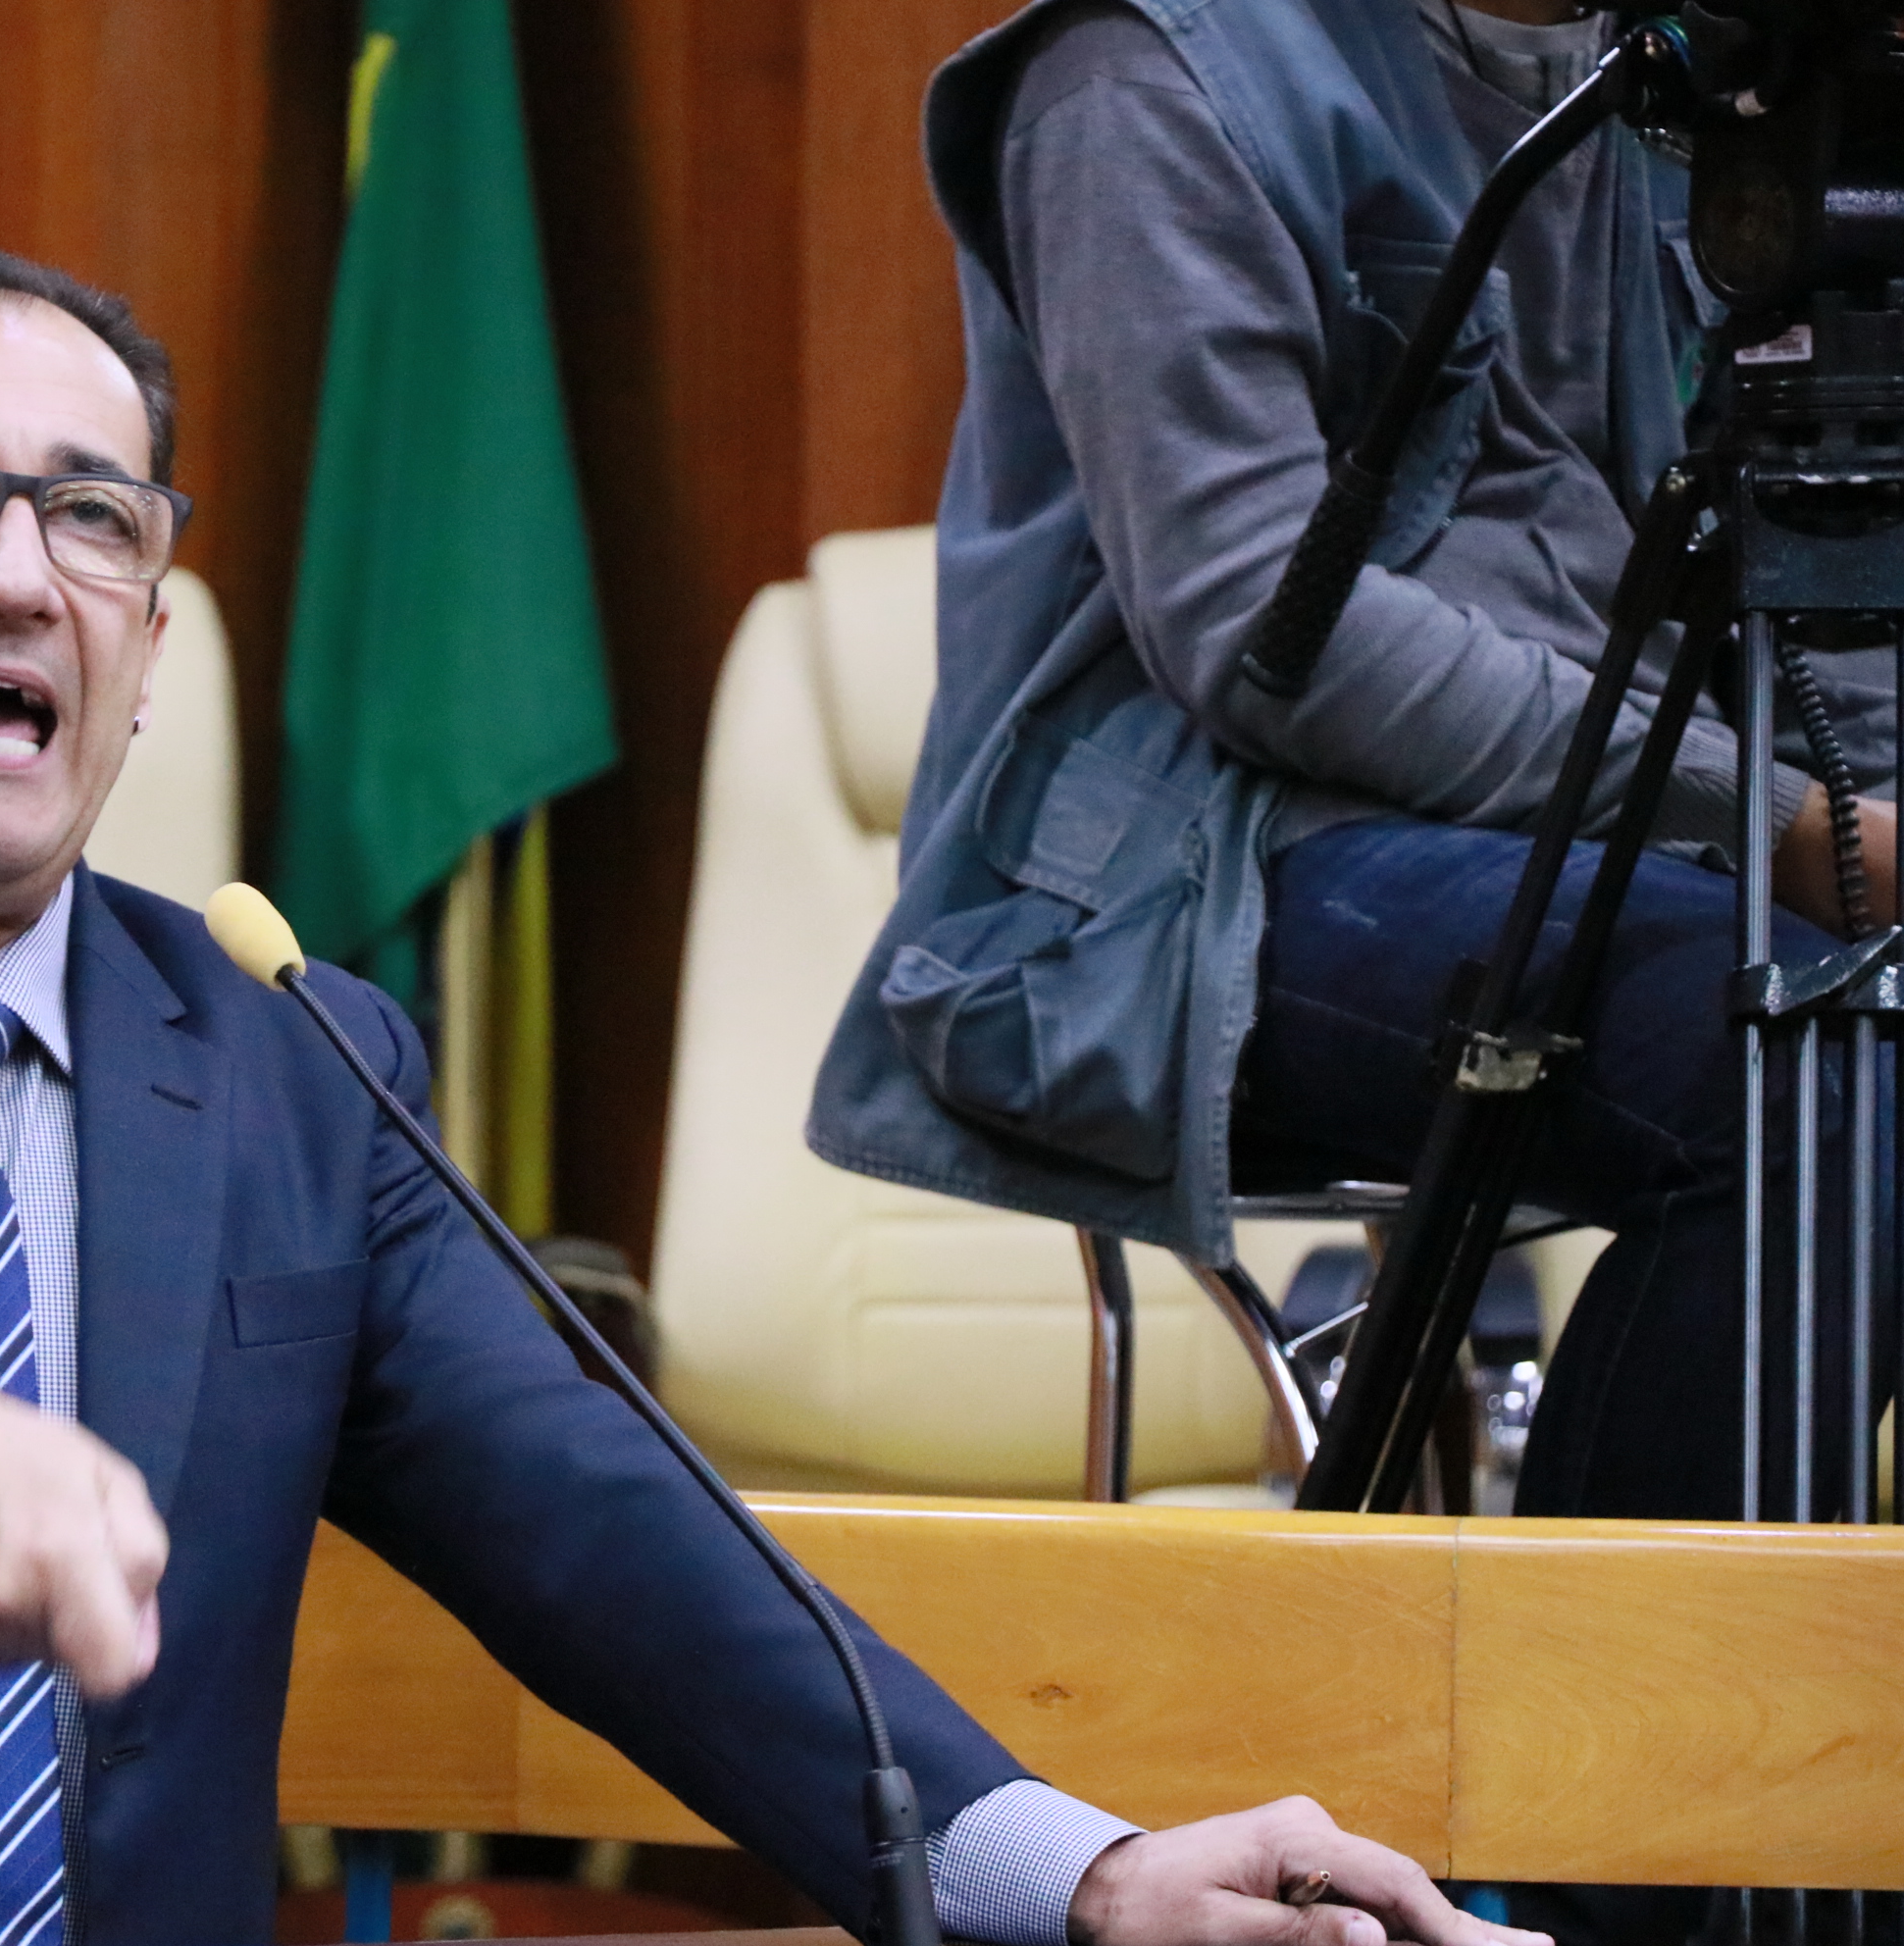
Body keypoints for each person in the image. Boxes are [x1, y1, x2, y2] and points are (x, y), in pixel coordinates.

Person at [0, 247, 1531, 1946]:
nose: (20, 574)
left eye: (97, 518)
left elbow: (620, 1539)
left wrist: (1076, 1866)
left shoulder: (285, 1058)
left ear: (145, 648)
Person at [813, 0, 1899, 1526]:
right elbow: (1271, 633)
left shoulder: (1728, 80)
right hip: (1204, 868)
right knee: (1809, 1076)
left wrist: (1871, 820)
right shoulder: (1144, 73)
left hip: (1627, 835)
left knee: (1849, 1027)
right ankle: (1602, 1681)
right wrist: (1794, 825)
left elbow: (1828, 548)